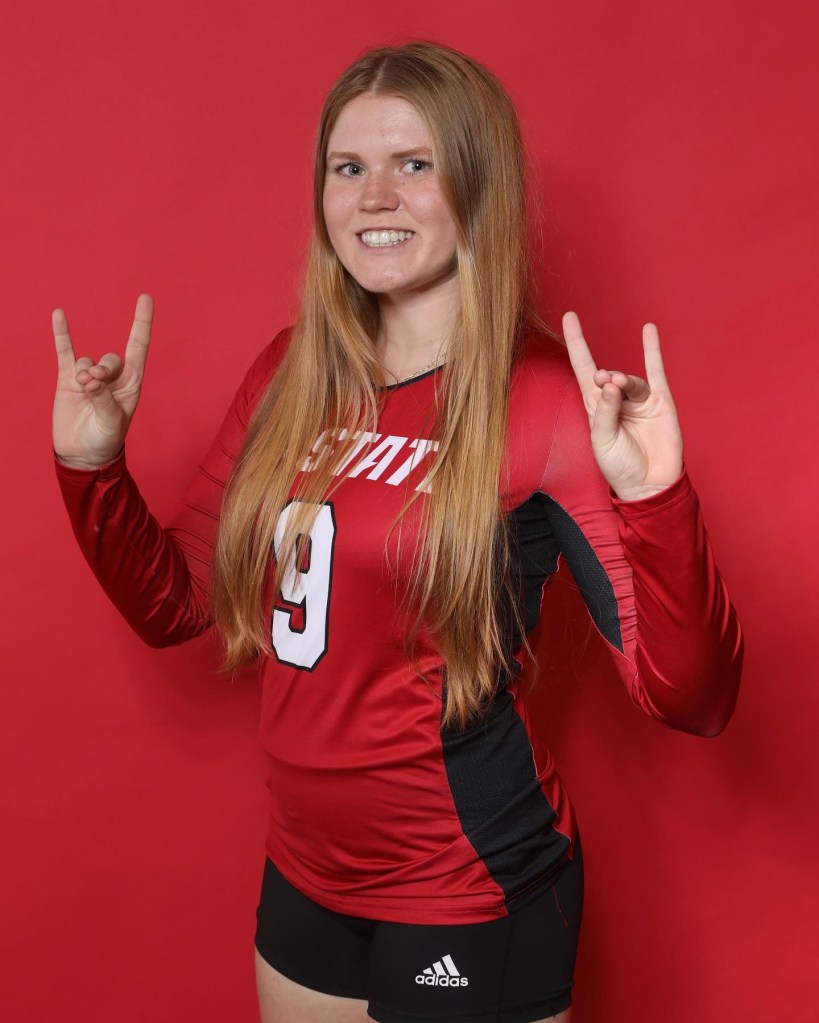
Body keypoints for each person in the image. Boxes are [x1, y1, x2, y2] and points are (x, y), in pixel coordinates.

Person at [51, 41, 743, 1023]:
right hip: (305, 869)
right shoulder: (290, 371)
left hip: (467, 882)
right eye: (348, 167)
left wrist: (656, 498)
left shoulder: (546, 401)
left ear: (477, 185)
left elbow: (693, 700)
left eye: (413, 164)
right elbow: (175, 604)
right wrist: (91, 467)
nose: (374, 197)